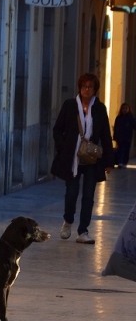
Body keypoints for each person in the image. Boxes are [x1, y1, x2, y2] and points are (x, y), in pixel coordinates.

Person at [51, 73, 115, 245]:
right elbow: (57, 129)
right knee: (71, 193)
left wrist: (109, 161)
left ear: (95, 90)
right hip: (73, 158)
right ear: (80, 88)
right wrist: (64, 147)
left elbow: (106, 136)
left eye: (90, 87)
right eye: (84, 86)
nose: (87, 89)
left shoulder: (100, 109)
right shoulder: (70, 105)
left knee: (88, 196)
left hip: (92, 159)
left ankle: (83, 230)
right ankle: (68, 221)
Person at [113, 103, 136, 168]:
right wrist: (115, 136)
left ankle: (125, 162)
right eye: (123, 108)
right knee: (120, 149)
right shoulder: (118, 118)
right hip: (120, 137)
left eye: (126, 108)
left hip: (128, 137)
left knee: (126, 150)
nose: (125, 110)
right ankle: (120, 162)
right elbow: (116, 128)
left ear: (128, 109)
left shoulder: (131, 117)